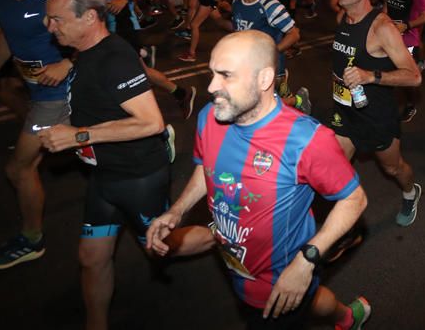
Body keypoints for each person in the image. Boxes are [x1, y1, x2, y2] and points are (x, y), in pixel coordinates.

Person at [146, 30, 371, 330]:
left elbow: (354, 198)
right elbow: (206, 168)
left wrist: (306, 263)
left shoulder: (307, 139)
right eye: (212, 73)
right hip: (235, 263)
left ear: (264, 79)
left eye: (226, 75)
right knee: (314, 300)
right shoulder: (209, 118)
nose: (212, 86)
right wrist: (177, 210)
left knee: (299, 302)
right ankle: (347, 316)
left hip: (279, 285)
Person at [38, 0, 170, 330]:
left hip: (137, 177)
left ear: (90, 18)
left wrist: (77, 136)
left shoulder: (115, 59)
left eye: (56, 19)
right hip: (104, 175)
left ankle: (226, 237)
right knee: (91, 258)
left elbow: (151, 122)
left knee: (167, 247)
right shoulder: (86, 51)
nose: (48, 26)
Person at [0, 0, 73, 269]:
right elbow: (7, 34)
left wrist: (67, 63)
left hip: (59, 94)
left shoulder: (52, 0)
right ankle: (149, 138)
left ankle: (32, 239)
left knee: (19, 169)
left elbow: (98, 37)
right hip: (37, 92)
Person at [331, 0, 423, 226]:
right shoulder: (343, 18)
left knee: (393, 168)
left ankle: (410, 192)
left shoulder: (382, 28)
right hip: (344, 113)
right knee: (333, 171)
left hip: (376, 117)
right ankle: (338, 225)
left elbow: (414, 77)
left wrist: (371, 76)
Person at [80, 0, 196, 120]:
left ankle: (158, 108)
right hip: (101, 29)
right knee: (127, 72)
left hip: (123, 29)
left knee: (135, 73)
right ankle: (177, 95)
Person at [220, 0, 311, 114]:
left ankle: (298, 100)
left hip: (272, 68)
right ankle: (296, 100)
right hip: (249, 64)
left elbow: (294, 34)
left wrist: (272, 51)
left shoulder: (270, 6)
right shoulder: (237, 2)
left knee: (262, 106)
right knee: (259, 104)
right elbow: (239, 29)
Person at [384, 0, 425, 122]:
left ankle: (411, 103)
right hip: (390, 38)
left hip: (408, 39)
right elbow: (386, 7)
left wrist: (407, 25)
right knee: (388, 72)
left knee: (408, 78)